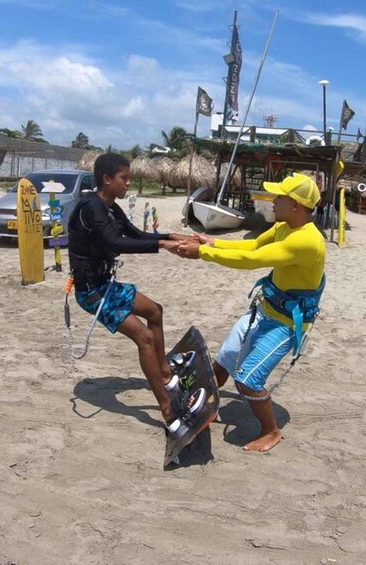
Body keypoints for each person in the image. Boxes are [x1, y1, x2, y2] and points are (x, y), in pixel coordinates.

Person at [172, 173, 326, 452]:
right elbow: (253, 245)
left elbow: (252, 260)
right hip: (264, 310)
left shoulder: (307, 240)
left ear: (296, 205)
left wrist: (203, 253)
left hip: (285, 324)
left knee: (248, 381)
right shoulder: (284, 226)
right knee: (224, 360)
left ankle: (271, 431)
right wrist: (211, 242)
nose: (273, 201)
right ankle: (203, 406)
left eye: (279, 197)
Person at [67, 152, 190, 425]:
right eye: (124, 178)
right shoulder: (91, 208)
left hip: (106, 285)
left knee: (155, 311)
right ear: (106, 179)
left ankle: (165, 373)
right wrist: (163, 245)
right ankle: (167, 408)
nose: (128, 183)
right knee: (144, 337)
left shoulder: (110, 207)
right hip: (92, 293)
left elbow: (136, 234)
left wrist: (171, 236)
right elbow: (116, 243)